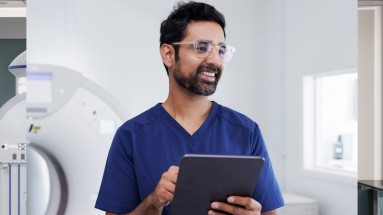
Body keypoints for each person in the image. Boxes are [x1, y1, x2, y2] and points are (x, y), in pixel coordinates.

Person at [95, 1, 284, 215]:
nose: (215, 60)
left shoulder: (246, 132)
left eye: (221, 50)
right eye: (201, 47)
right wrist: (153, 202)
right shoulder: (131, 136)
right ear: (168, 54)